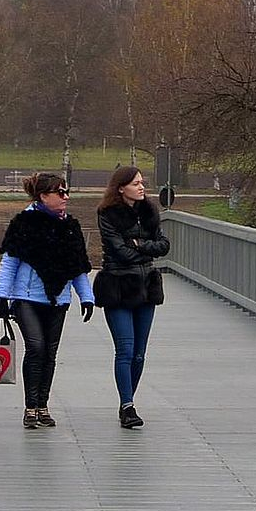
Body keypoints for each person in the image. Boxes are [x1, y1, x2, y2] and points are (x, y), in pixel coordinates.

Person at [0, 172, 94, 429]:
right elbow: (10, 262)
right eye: (60, 192)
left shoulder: (70, 226)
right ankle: (30, 406)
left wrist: (87, 296)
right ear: (43, 196)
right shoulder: (24, 223)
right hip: (26, 298)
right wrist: (1, 298)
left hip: (58, 299)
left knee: (50, 352)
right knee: (36, 347)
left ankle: (42, 405)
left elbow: (78, 266)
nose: (66, 197)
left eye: (66, 191)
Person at [94, 165, 170, 429]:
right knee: (125, 350)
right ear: (121, 187)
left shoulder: (150, 212)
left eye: (142, 182)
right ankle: (127, 406)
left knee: (139, 353)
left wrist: (139, 246)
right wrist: (145, 249)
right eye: (136, 183)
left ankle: (128, 400)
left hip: (146, 287)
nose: (141, 187)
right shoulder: (107, 214)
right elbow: (120, 252)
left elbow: (164, 245)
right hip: (118, 287)